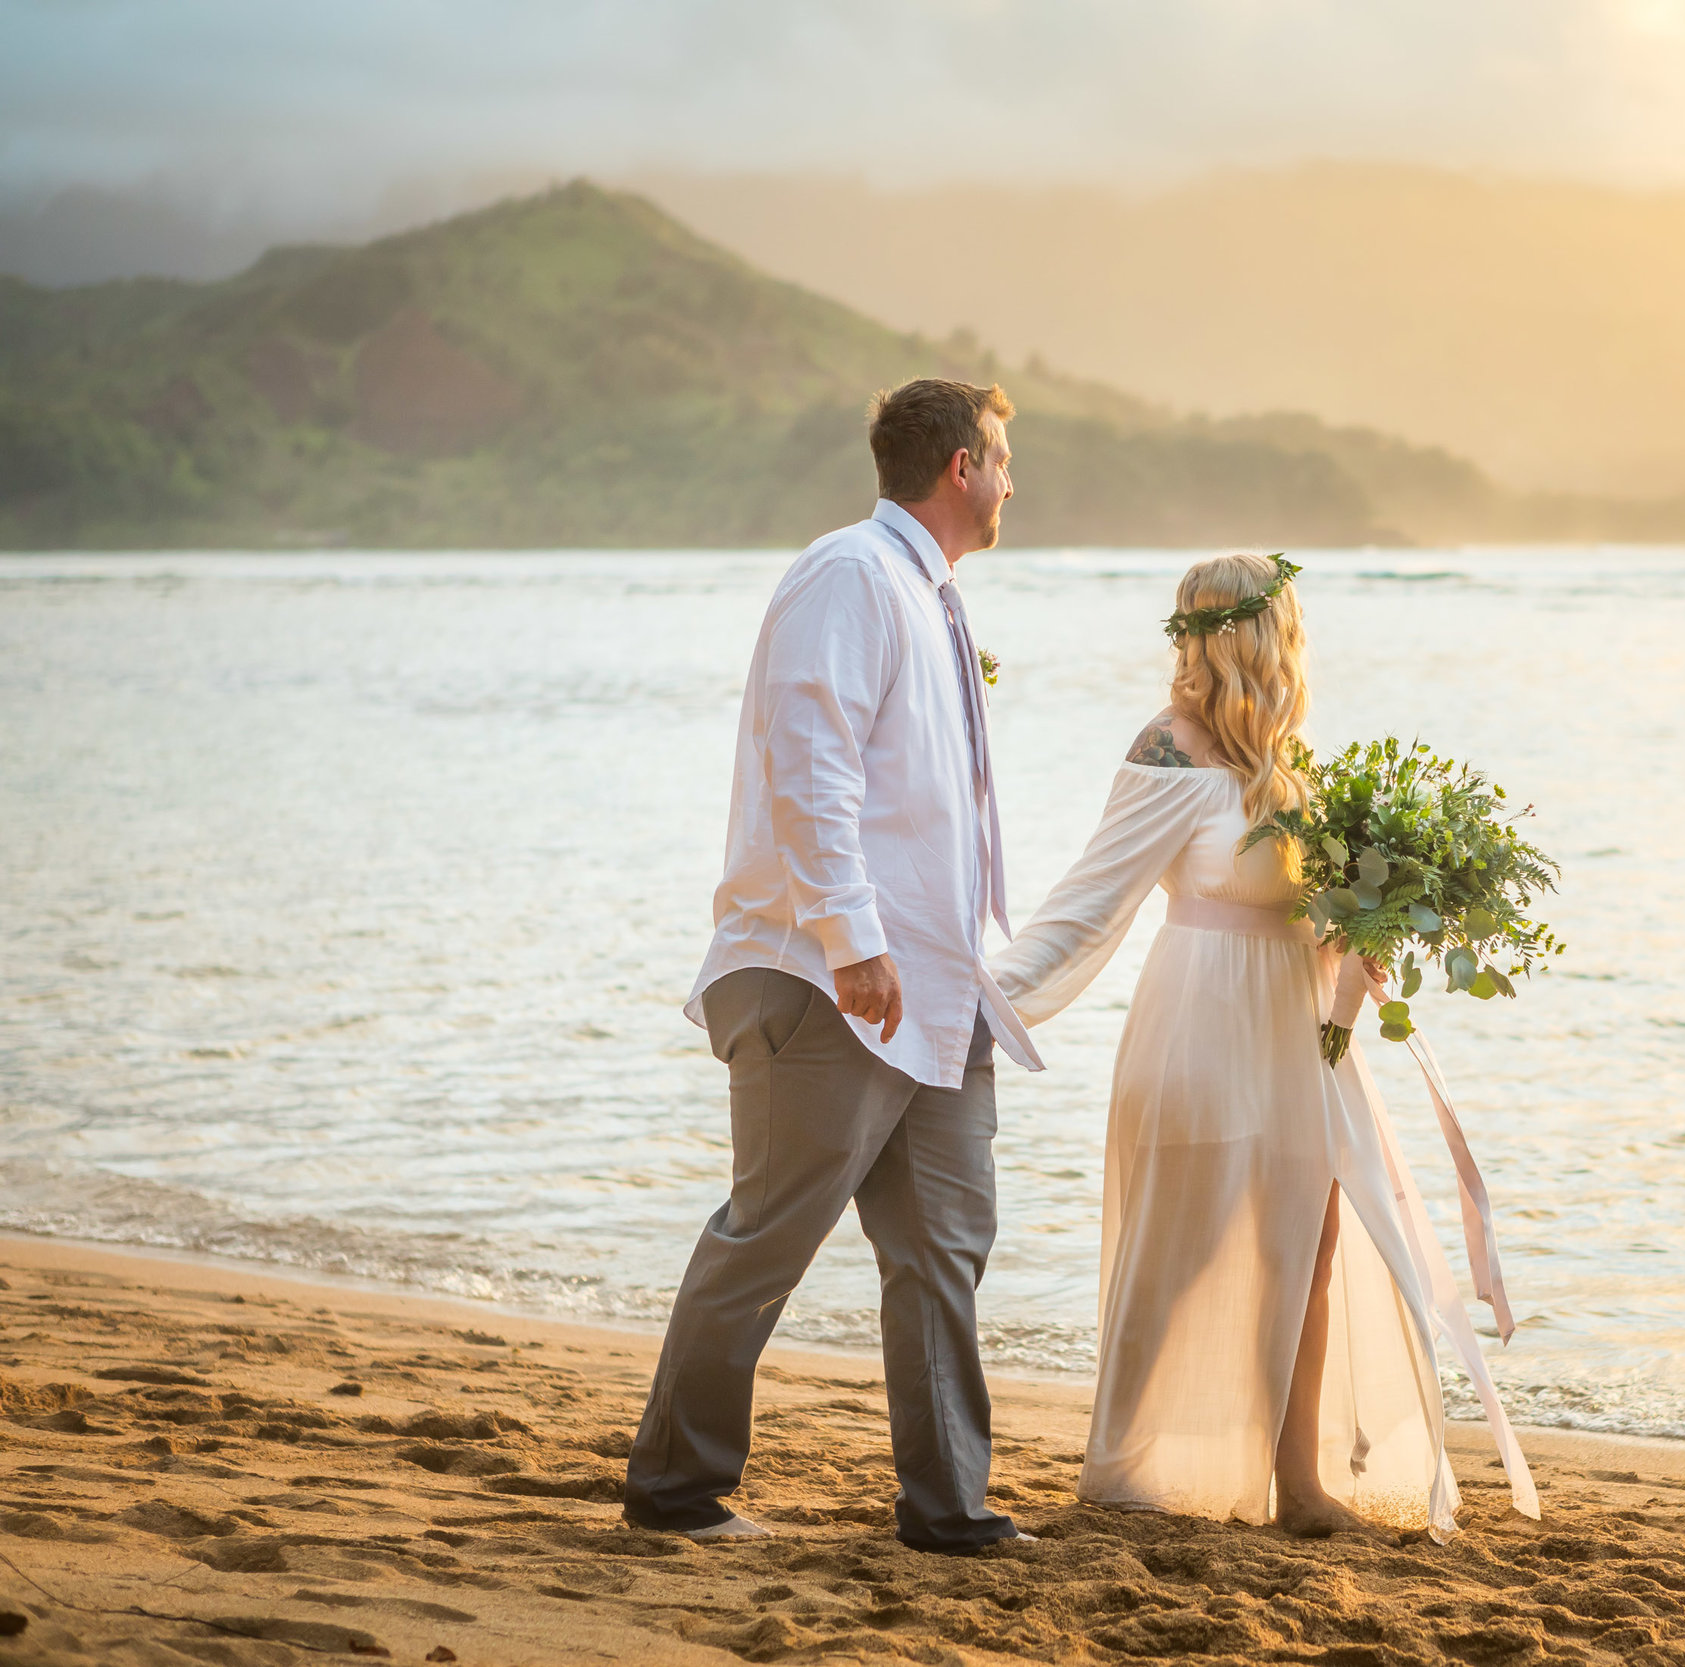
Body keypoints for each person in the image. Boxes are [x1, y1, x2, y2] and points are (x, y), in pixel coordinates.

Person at [989, 554, 1539, 1541]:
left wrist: (1371, 929)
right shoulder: (1168, 749)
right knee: (1187, 1244)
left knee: (1311, 1239)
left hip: (1299, 1034)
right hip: (1198, 1022)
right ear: (1252, 631)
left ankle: (1299, 1479)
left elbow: (1321, 916)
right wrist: (981, 1000)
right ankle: (1123, 1458)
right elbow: (1088, 898)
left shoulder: (1295, 762)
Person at [623, 378, 1042, 1552]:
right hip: (828, 980)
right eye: (1003, 459)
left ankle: (947, 1506)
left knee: (946, 1245)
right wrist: (852, 940)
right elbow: (812, 759)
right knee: (767, 1235)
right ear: (961, 466)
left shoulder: (927, 595)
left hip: (935, 989)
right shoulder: (849, 574)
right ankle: (674, 1488)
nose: (1013, 482)